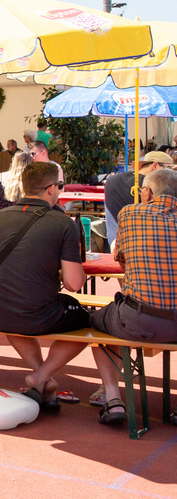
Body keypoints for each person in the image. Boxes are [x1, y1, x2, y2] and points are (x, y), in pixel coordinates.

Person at [0, 162, 89, 412]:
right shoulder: (62, 222)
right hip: (37, 314)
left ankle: (45, 381)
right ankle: (40, 377)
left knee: (17, 316)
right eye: (60, 186)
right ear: (51, 189)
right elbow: (74, 284)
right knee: (89, 322)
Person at [89, 168, 177, 425]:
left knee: (96, 323)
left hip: (139, 319)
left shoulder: (130, 214)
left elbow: (121, 260)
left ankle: (113, 398)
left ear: (147, 192)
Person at [103, 151, 173, 246]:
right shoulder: (153, 186)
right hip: (142, 243)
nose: (170, 174)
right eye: (168, 169)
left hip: (113, 241)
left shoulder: (112, 180)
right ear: (155, 165)